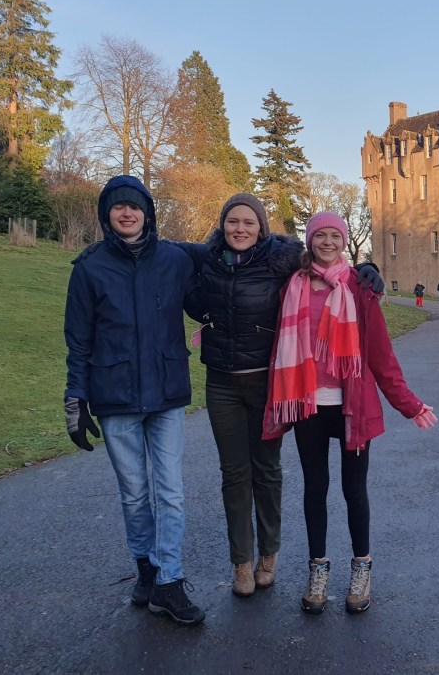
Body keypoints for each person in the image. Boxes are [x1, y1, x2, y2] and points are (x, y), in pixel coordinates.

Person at [179, 194, 385, 598]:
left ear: (261, 228)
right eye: (232, 221)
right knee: (240, 475)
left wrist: (369, 267)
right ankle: (246, 562)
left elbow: (332, 260)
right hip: (236, 383)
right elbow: (164, 258)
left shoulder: (281, 260)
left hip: (277, 386)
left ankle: (276, 557)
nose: (240, 229)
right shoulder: (208, 261)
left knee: (274, 472)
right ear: (222, 225)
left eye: (248, 222)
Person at [262, 211, 438, 616]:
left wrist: (409, 404)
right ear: (309, 241)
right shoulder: (294, 286)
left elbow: (380, 354)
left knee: (354, 490)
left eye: (334, 236)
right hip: (306, 404)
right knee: (314, 488)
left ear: (344, 242)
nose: (327, 242)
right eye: (319, 236)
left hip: (350, 407)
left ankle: (361, 568)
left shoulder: (360, 289)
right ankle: (318, 570)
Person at [63, 175, 205, 625]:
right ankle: (146, 568)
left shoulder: (174, 260)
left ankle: (169, 581)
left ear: (148, 212)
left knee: (171, 493)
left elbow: (231, 259)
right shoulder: (89, 268)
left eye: (135, 206)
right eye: (118, 207)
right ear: (107, 214)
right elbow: (78, 341)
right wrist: (76, 396)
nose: (127, 213)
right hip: (115, 396)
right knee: (134, 495)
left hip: (165, 393)